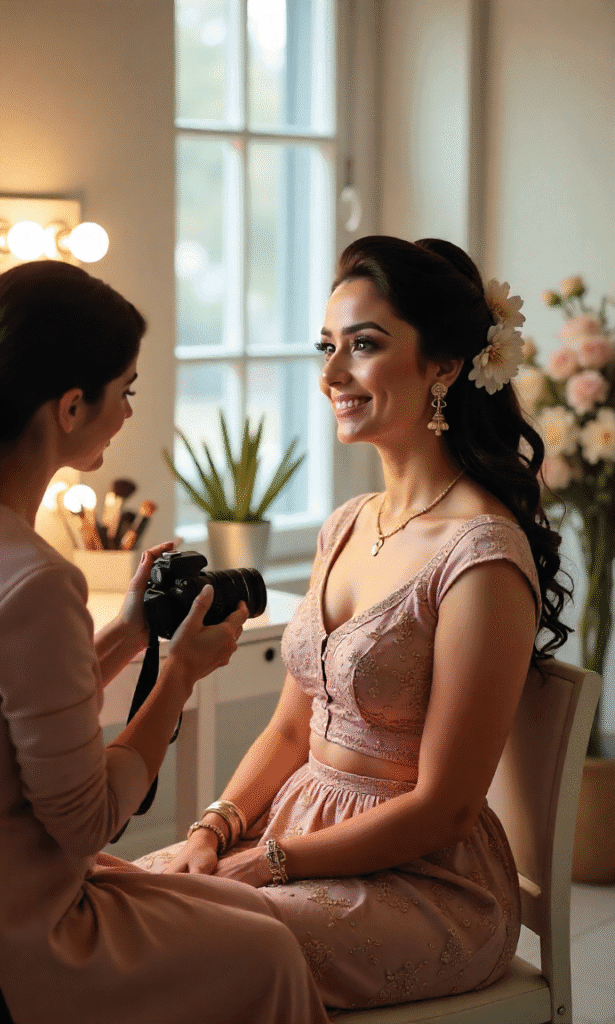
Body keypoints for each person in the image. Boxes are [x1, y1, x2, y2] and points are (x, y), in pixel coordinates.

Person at [0, 261, 330, 1024]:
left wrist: (129, 632)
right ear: (72, 406)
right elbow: (87, 818)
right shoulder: (31, 579)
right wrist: (177, 677)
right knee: (270, 951)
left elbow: (1, 706)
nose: (131, 411)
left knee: (252, 916)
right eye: (127, 390)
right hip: (10, 949)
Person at [138, 236, 572, 1013]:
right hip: (298, 836)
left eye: (364, 346)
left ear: (442, 364)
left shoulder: (482, 559)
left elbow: (445, 809)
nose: (332, 374)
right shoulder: (348, 524)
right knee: (117, 901)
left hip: (428, 883)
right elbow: (287, 730)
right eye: (327, 347)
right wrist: (214, 828)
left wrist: (266, 864)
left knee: (179, 942)